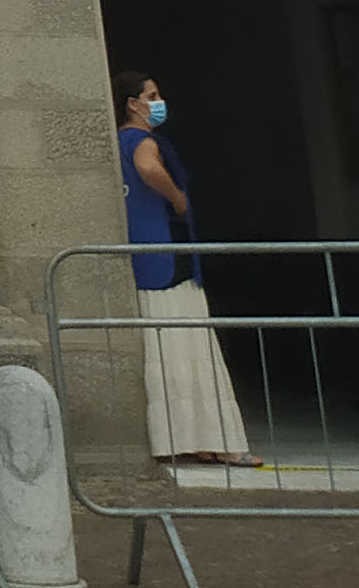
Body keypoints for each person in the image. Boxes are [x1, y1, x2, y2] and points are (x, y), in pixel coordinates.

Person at [114, 69, 252, 468]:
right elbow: (148, 169)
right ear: (134, 104)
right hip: (168, 258)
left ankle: (187, 438)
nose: (158, 101)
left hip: (145, 256)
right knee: (191, 341)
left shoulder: (118, 141)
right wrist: (176, 198)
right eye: (152, 95)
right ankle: (214, 439)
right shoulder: (142, 140)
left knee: (166, 349)